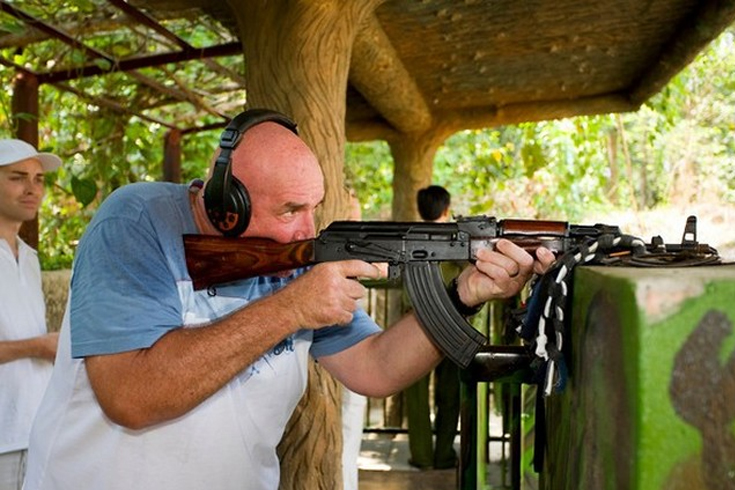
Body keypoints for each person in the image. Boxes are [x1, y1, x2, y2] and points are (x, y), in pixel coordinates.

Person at [25, 109, 554, 490]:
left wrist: (462, 295)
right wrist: (290, 308)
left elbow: (374, 369)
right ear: (224, 199)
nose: (307, 229)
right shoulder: (137, 221)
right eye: (289, 210)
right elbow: (131, 397)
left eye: (314, 207)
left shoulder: (292, 259)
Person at [0, 139, 62, 490]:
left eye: (39, 179)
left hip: (36, 430)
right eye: (17, 177)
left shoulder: (31, 257)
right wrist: (37, 347)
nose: (32, 189)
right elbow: (33, 344)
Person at [405, 185, 463, 470]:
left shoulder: (406, 237)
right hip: (453, 322)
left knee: (415, 394)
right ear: (446, 209)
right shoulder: (458, 240)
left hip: (414, 322)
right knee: (450, 394)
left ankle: (422, 455)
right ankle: (443, 455)